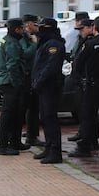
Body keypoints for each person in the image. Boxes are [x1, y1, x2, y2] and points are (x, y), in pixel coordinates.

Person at [68, 16, 99, 161]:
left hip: (92, 84)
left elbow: (78, 63)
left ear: (94, 28)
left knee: (88, 116)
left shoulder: (90, 44)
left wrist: (77, 79)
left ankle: (84, 147)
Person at [31, 18, 66, 164]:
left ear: (48, 28)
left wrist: (39, 81)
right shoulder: (45, 42)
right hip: (43, 86)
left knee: (51, 118)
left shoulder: (54, 44)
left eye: (42, 27)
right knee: (45, 118)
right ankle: (49, 146)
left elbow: (51, 67)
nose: (39, 30)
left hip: (50, 86)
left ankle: (55, 152)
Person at [0, 18, 26, 155]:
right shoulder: (12, 43)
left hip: (6, 81)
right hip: (10, 83)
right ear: (17, 29)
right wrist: (17, 83)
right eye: (22, 28)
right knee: (8, 114)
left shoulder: (5, 39)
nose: (24, 30)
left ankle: (15, 143)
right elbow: (12, 65)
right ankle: (3, 146)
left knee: (14, 114)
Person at [18, 14, 44, 146]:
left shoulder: (36, 37)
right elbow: (25, 54)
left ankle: (33, 135)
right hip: (27, 76)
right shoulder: (24, 38)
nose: (38, 27)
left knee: (34, 108)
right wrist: (34, 44)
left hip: (35, 75)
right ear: (29, 25)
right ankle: (29, 136)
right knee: (27, 107)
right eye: (36, 24)